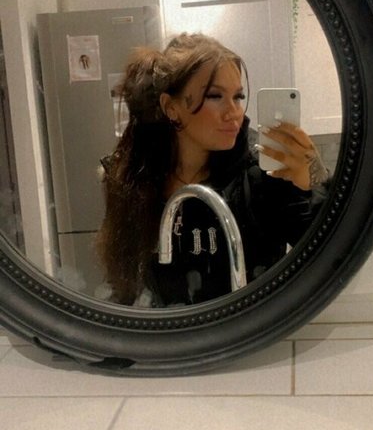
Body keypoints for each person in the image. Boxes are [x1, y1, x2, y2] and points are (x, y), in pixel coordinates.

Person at [97, 33, 329, 306]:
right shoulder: (134, 177)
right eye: (215, 96)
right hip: (169, 330)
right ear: (171, 107)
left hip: (256, 326)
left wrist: (313, 180)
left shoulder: (262, 170)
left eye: (238, 96)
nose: (234, 112)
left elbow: (326, 256)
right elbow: (123, 280)